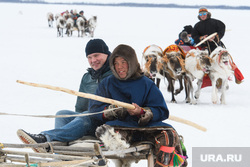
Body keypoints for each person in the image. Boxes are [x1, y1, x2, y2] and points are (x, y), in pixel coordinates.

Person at [17, 44, 187, 166]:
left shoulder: (146, 83)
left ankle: (46, 139)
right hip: (108, 120)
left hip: (130, 128)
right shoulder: (107, 83)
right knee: (65, 114)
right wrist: (111, 111)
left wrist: (143, 112)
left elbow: (161, 110)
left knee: (84, 119)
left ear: (132, 62)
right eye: (116, 63)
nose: (120, 67)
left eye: (124, 63)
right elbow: (93, 108)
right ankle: (61, 153)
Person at [17, 38, 112, 153]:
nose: (93, 60)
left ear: (106, 54)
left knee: (87, 115)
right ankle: (58, 151)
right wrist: (76, 123)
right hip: (88, 120)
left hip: (106, 124)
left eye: (96, 55)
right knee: (62, 115)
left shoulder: (115, 74)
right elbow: (81, 107)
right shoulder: (87, 77)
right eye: (89, 57)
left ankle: (45, 138)